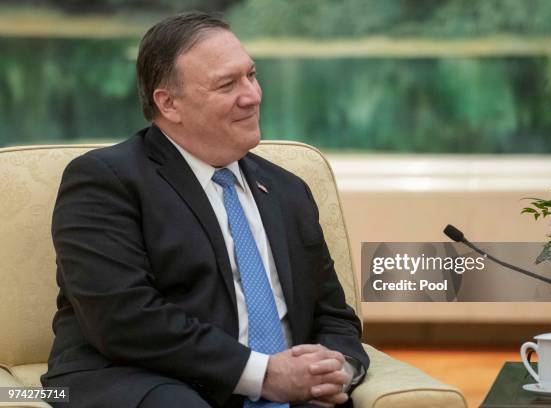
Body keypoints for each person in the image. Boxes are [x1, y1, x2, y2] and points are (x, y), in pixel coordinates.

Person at [41, 11, 368, 408]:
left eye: (252, 75)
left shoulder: (287, 190)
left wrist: (336, 372)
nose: (252, 95)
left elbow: (334, 316)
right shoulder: (106, 181)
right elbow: (124, 319)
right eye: (227, 84)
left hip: (290, 391)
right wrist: (262, 375)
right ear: (169, 103)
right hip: (149, 381)